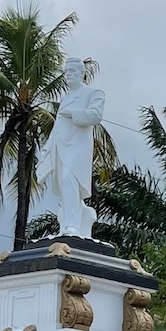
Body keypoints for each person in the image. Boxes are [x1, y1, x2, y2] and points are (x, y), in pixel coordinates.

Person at [38, 58, 106, 238]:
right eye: (66, 72)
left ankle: (73, 226)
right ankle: (68, 225)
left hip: (78, 147)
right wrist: (47, 147)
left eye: (72, 72)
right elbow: (57, 126)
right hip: (61, 147)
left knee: (70, 179)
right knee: (64, 185)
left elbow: (96, 116)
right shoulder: (66, 98)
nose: (68, 75)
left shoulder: (93, 93)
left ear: (82, 73)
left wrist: (73, 114)